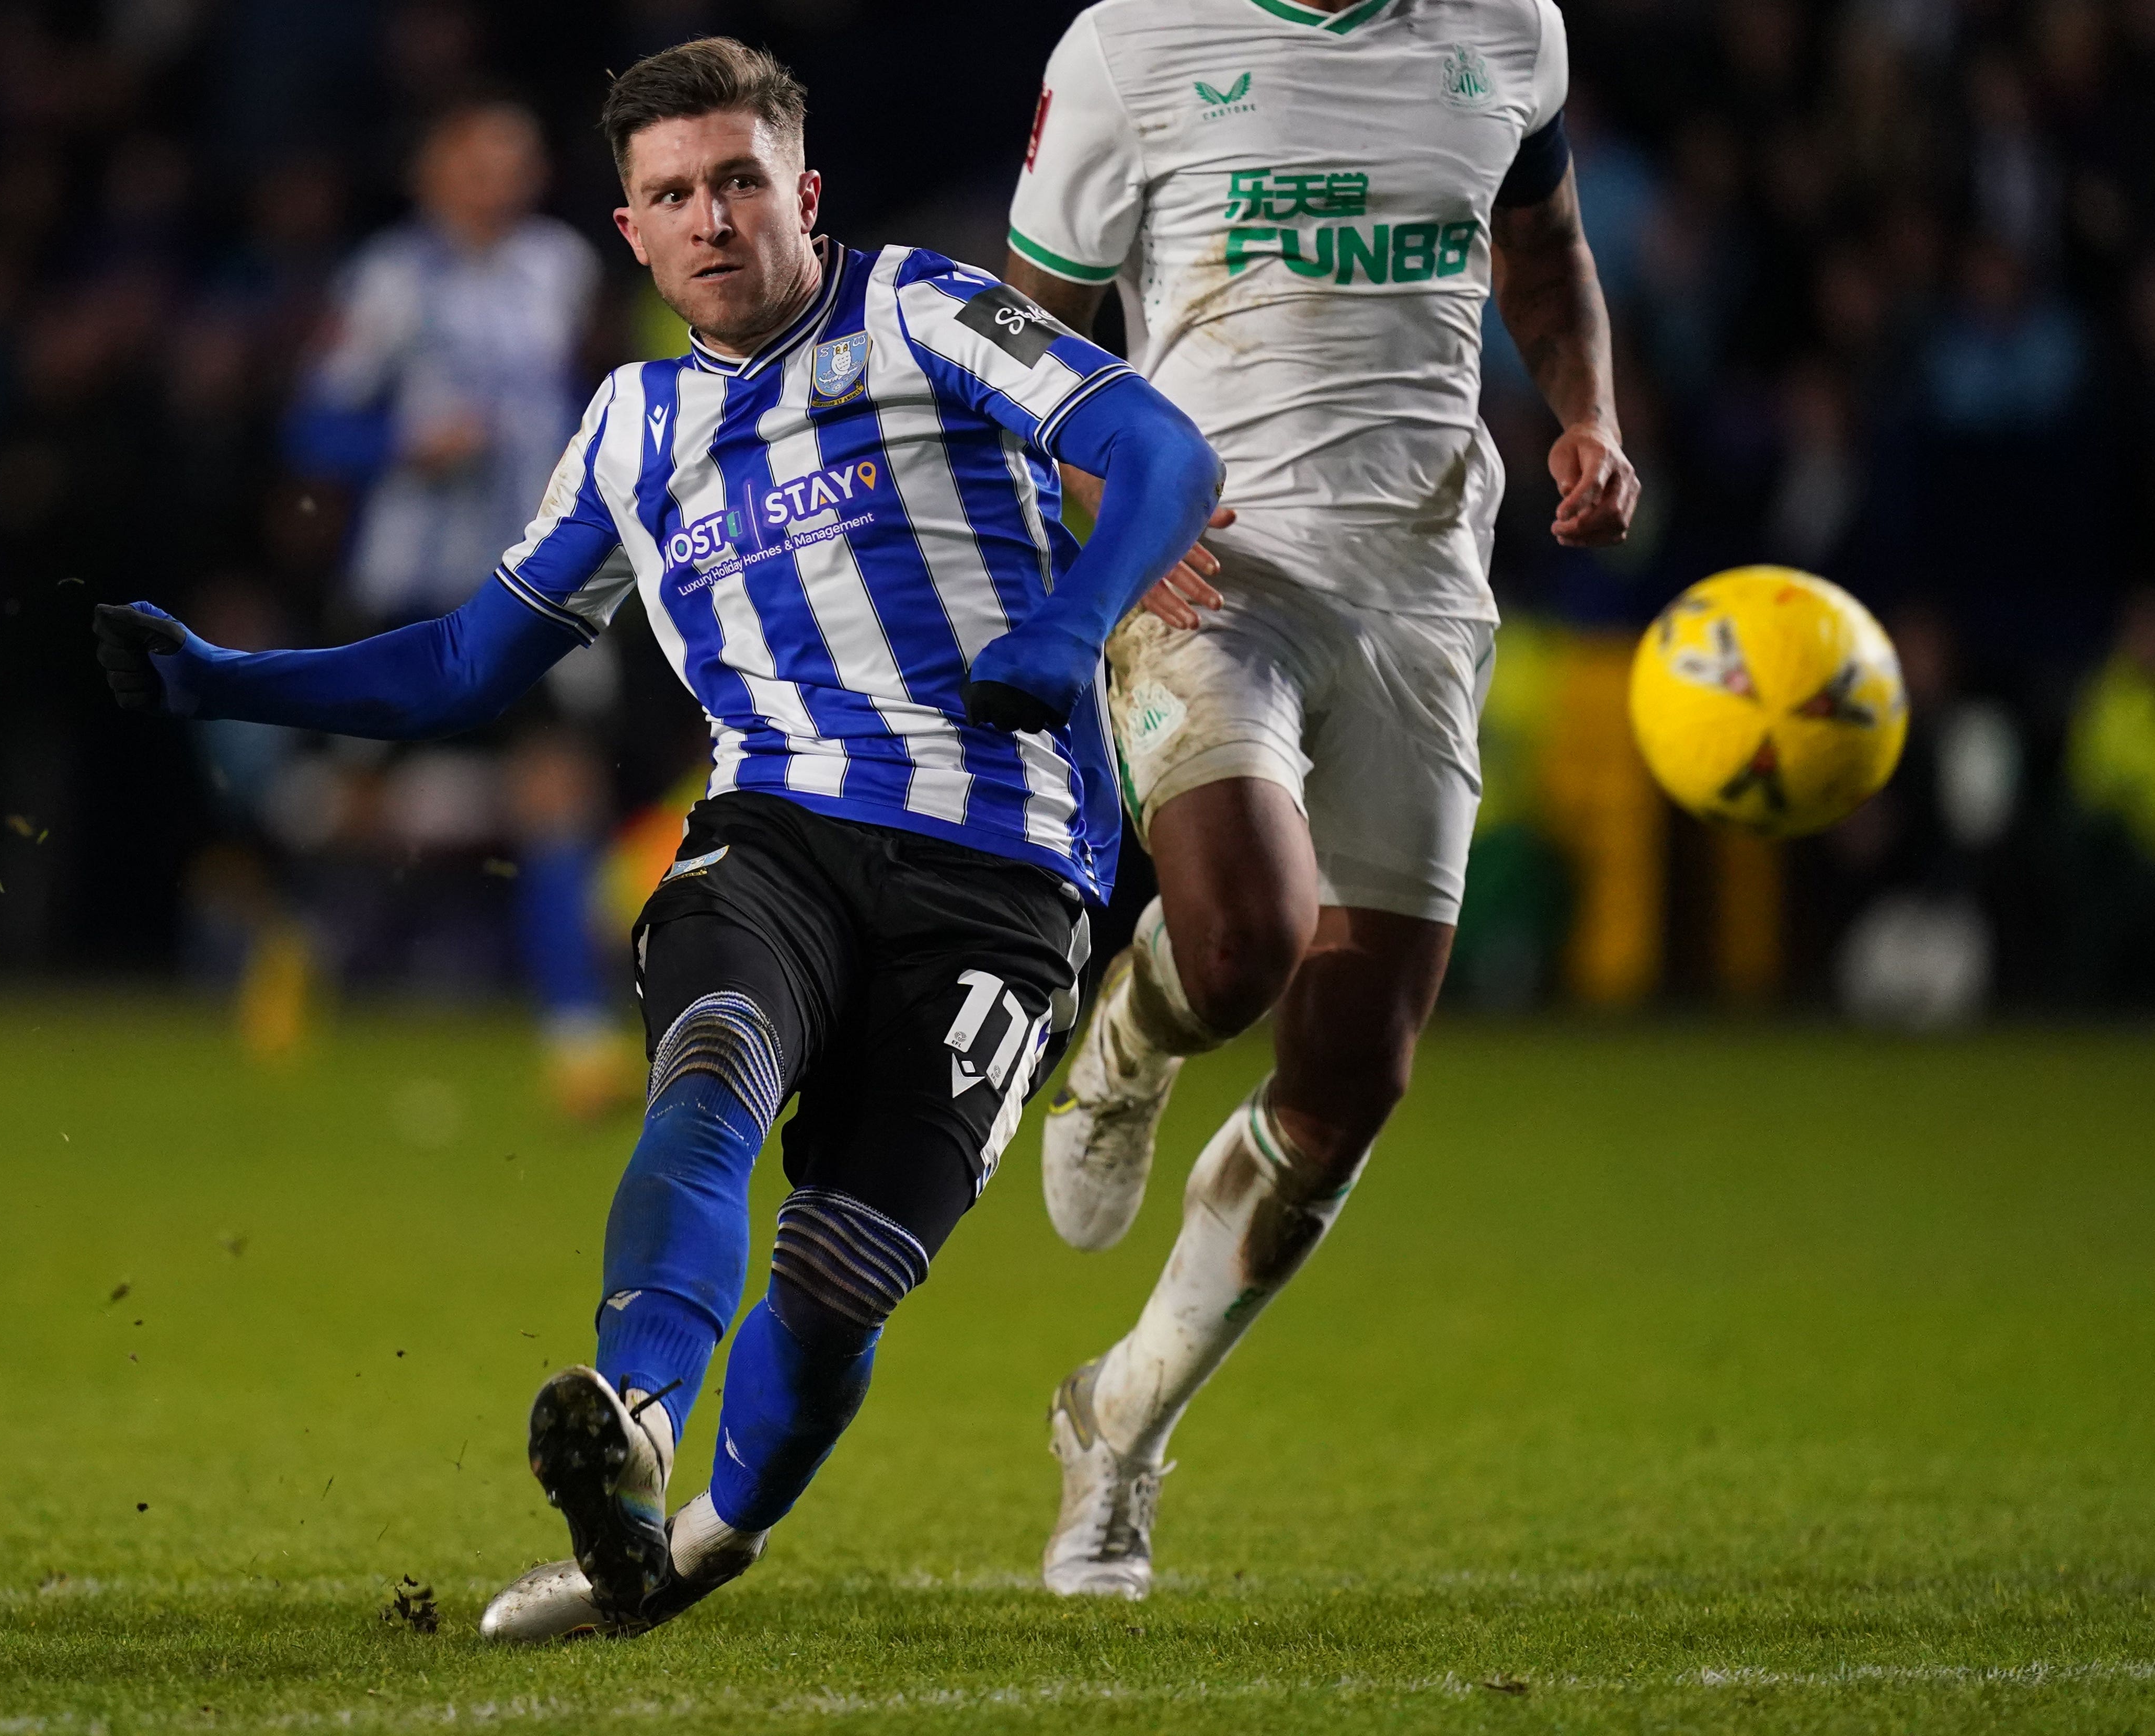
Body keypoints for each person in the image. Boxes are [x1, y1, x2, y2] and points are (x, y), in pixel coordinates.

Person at [93, 38, 1222, 1640]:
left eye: (739, 181)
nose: (711, 219)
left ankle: (698, 1539)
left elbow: (1164, 451)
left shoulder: (918, 311)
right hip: (771, 831)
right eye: (672, 194)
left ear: (800, 192)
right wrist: (229, 683)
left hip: (1007, 868)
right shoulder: (628, 428)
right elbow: (468, 659)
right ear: (629, 231)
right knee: (708, 1069)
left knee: (836, 1289)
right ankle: (630, 1420)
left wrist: (1070, 615)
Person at [1003, 0, 1640, 1596]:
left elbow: (1542, 250)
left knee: (1351, 1069)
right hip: (1214, 576)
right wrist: (1104, 501)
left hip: (1420, 587)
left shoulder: (1511, 32)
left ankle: (1119, 1423)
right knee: (1239, 943)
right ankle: (1127, 1045)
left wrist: (1586, 421)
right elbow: (1030, 327)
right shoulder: (1132, 42)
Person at [285, 99, 626, 1108]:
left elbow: (580, 407)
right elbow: (312, 429)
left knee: (558, 793)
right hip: (404, 588)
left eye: (515, 160)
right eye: (479, 161)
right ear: (433, 172)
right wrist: (403, 446)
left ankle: (576, 1037)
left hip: (525, 588)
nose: (500, 180)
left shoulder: (558, 269)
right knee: (349, 806)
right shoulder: (389, 282)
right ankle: (294, 953)